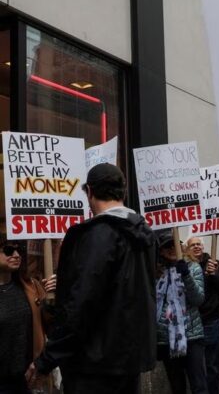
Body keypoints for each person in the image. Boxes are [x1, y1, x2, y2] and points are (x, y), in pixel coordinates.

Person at [29, 163, 157, 393]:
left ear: (89, 192)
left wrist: (47, 359)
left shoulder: (98, 235)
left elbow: (82, 303)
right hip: (127, 362)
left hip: (94, 366)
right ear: (123, 192)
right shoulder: (144, 235)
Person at [0, 237, 55, 394]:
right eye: (9, 251)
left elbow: (52, 323)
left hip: (26, 379)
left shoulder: (31, 286)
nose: (17, 255)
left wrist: (53, 298)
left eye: (19, 250)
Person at [155, 231, 207, 394]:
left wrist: (186, 275)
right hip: (166, 339)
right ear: (160, 251)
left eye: (174, 244)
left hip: (191, 336)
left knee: (199, 385)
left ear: (181, 247)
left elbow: (198, 299)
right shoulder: (155, 272)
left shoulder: (192, 267)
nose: (171, 248)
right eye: (166, 246)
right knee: (177, 386)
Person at [185, 236, 219, 394]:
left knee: (212, 365)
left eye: (199, 244)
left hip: (212, 321)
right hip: (192, 323)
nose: (197, 247)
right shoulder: (185, 267)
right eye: (193, 245)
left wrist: (215, 275)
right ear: (186, 249)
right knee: (196, 368)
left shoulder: (214, 263)